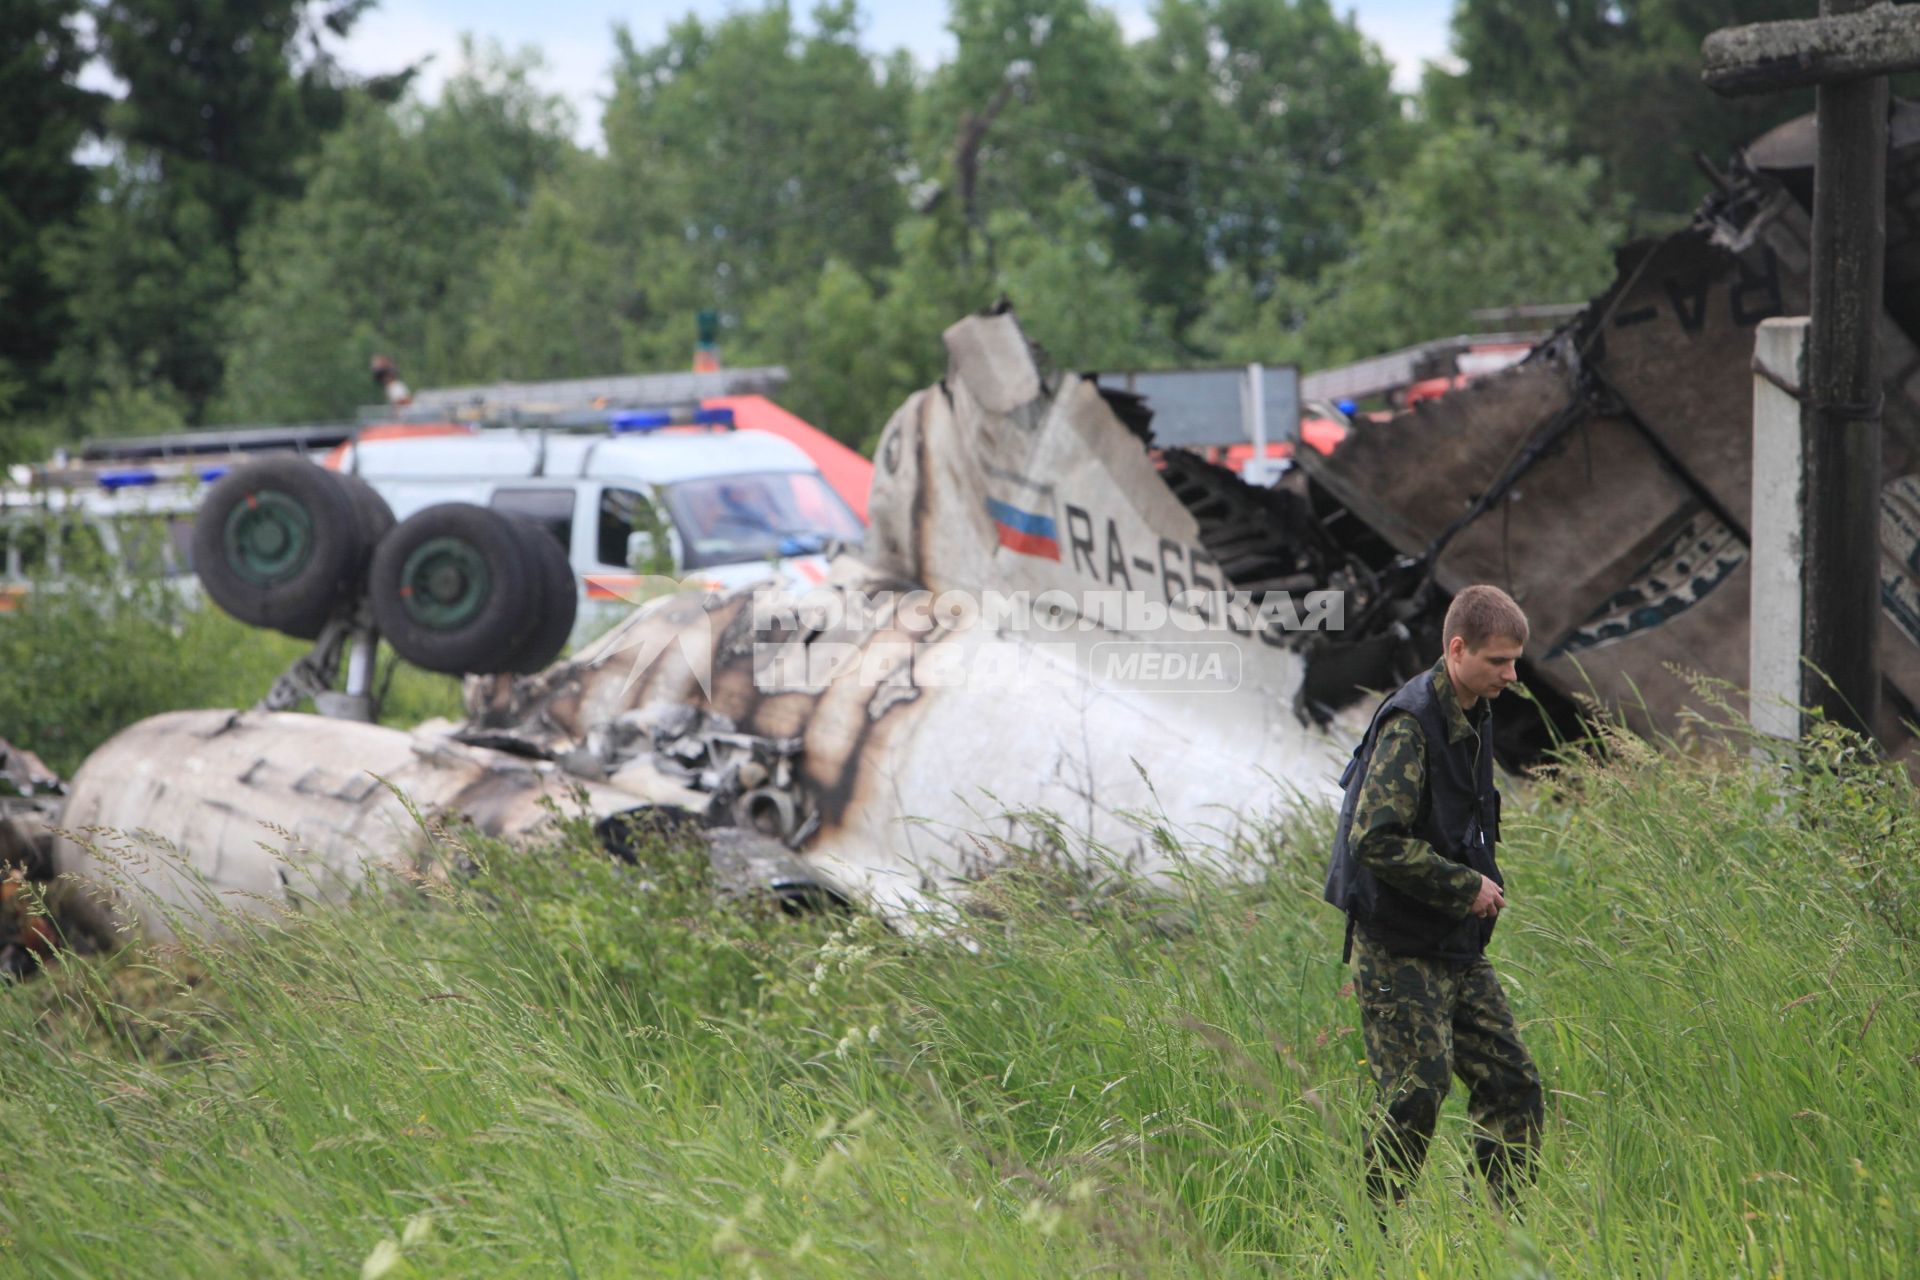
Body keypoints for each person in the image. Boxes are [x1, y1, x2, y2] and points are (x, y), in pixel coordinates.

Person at [1322, 584, 1543, 1208]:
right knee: (1415, 1095)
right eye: (1499, 661)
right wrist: (1465, 885)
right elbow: (1375, 840)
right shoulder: (1411, 725)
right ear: (1457, 649)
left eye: (1515, 660)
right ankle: (1364, 1238)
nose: (1512, 674)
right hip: (1397, 944)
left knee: (1513, 1084)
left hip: (1454, 943)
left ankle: (1499, 1240)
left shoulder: (1475, 710)